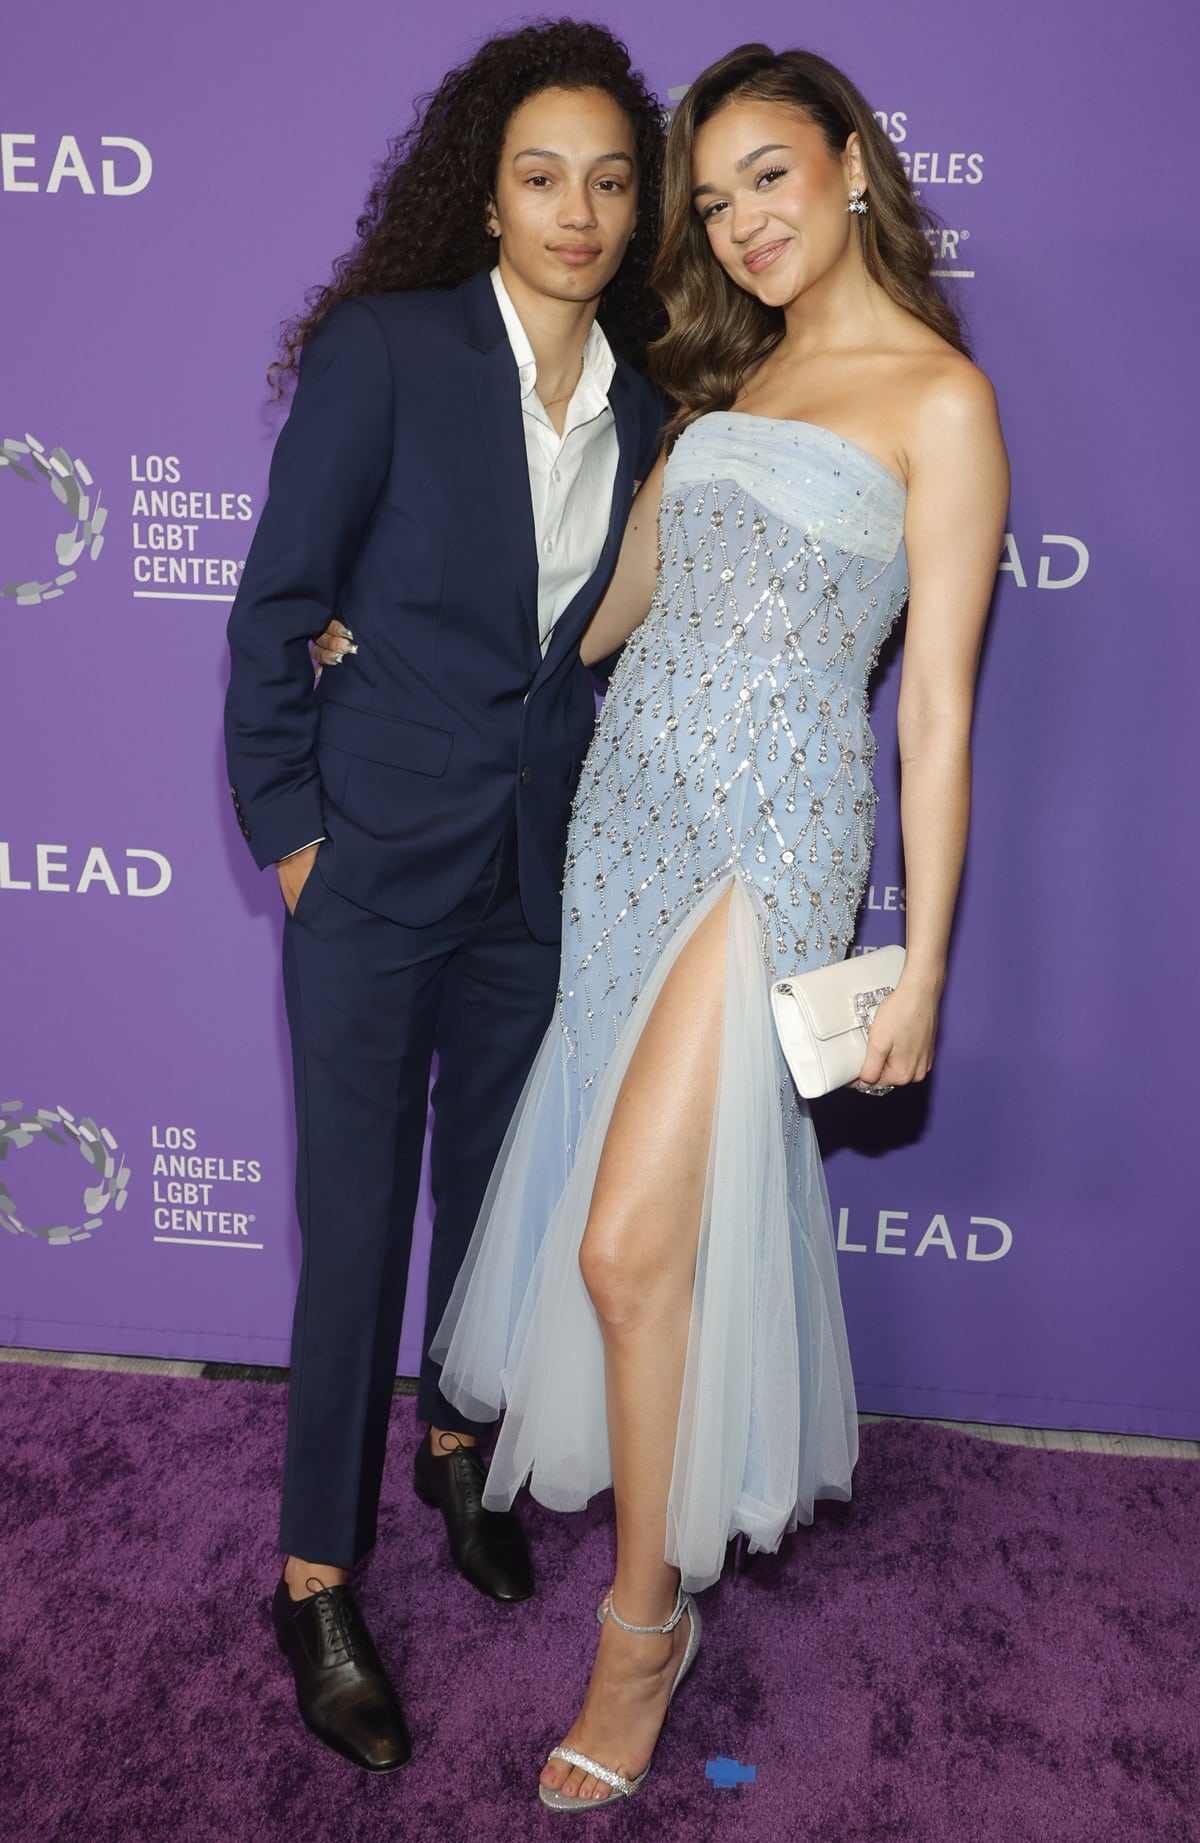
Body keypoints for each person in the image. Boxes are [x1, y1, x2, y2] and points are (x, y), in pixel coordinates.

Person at [430, 42, 1010, 1810]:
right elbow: (605, 619)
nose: (742, 220)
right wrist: (405, 617)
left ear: (849, 164)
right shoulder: (722, 387)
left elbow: (934, 715)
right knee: (638, 1244)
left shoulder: (943, 404)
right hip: (632, 821)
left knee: (616, 1247)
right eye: (715, 198)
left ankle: (642, 1624)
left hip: (772, 834)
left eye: (769, 174)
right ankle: (651, 1590)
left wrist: (922, 958)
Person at [223, 20, 664, 1772]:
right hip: (372, 871)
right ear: (486, 193)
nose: (580, 210)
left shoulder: (643, 404)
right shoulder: (389, 354)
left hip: (529, 881)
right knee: (356, 1233)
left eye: (613, 181)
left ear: (639, 212)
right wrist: (294, 833)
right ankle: (315, 1576)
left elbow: (589, 650)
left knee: (495, 1209)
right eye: (544, 175)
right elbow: (278, 608)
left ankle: (459, 1455)